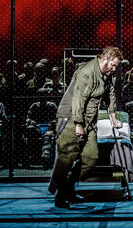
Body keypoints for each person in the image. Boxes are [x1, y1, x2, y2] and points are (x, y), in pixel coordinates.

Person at [49, 46, 123, 209]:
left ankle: (67, 187)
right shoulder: (87, 72)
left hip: (90, 119)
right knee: (67, 156)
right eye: (113, 65)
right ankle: (61, 195)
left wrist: (113, 116)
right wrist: (78, 124)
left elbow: (110, 92)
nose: (114, 68)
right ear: (105, 59)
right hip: (71, 117)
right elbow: (78, 100)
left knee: (91, 157)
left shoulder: (106, 73)